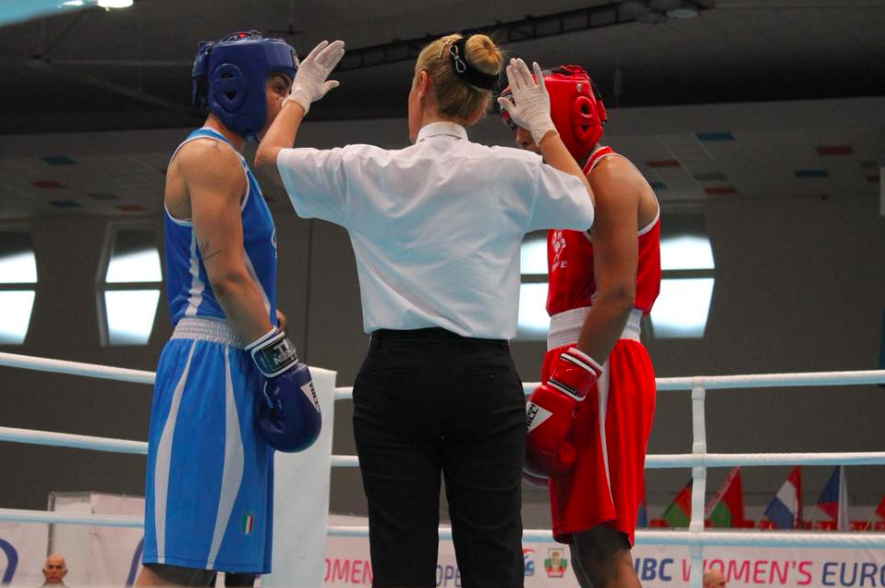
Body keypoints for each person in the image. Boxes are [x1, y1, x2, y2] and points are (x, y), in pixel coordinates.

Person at [255, 34, 596, 588]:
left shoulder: (366, 168)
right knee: (494, 560)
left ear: (421, 85)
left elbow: (268, 159)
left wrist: (300, 96)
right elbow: (583, 204)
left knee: (400, 560)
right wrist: (543, 126)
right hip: (484, 380)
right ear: (483, 106)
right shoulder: (509, 169)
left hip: (396, 380)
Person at [137, 30, 321, 587]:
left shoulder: (234, 165)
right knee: (179, 562)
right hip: (209, 364)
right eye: (277, 87)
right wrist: (279, 358)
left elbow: (240, 283)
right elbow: (227, 275)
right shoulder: (207, 156)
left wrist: (267, 321)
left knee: (236, 566)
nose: (285, 102)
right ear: (232, 85)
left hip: (239, 357)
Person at [501, 65, 660, 588]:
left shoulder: (610, 179)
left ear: (567, 117)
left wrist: (566, 388)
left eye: (529, 120)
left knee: (604, 545)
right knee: (581, 550)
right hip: (578, 362)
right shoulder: (570, 190)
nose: (521, 135)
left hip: (602, 365)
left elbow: (616, 297)